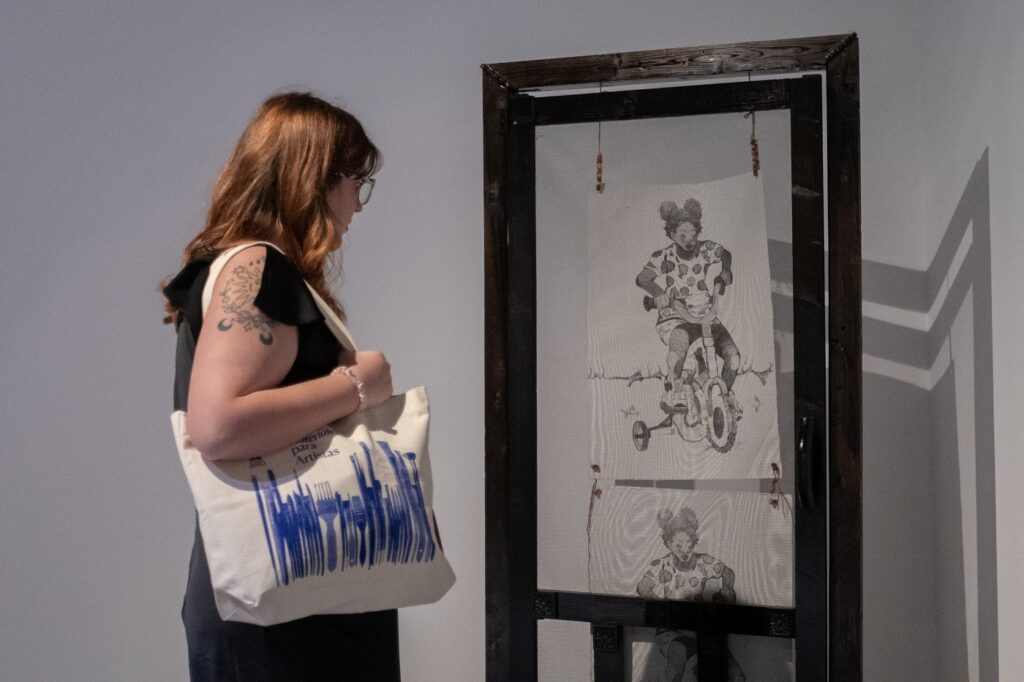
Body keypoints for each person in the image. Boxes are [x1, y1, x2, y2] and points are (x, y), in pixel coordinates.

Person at [161, 93, 398, 681]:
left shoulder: (251, 268)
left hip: (288, 592)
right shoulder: (256, 269)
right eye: (355, 182)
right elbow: (218, 425)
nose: (358, 204)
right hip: (283, 612)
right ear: (314, 179)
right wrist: (357, 384)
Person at [635, 199, 741, 395]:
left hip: (705, 316)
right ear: (672, 234)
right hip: (677, 316)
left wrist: (726, 271)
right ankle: (674, 392)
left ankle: (721, 396)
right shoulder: (664, 256)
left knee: (733, 357)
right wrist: (659, 294)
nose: (689, 239)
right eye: (682, 234)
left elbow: (725, 254)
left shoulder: (705, 250)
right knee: (680, 344)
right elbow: (642, 279)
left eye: (693, 233)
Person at [635, 507, 744, 682]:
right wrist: (662, 606)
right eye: (678, 544)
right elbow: (642, 587)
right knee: (678, 654)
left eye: (689, 543)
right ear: (669, 543)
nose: (685, 549)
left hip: (699, 629)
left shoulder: (703, 562)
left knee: (736, 675)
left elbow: (728, 573)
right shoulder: (662, 564)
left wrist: (727, 590)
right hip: (671, 630)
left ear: (694, 542)